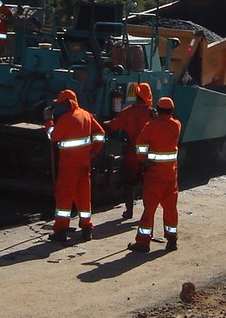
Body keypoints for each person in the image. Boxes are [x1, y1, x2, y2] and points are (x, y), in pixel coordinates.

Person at [46, 89, 105, 243]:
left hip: (68, 167)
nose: (58, 107)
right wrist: (93, 151)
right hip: (84, 165)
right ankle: (86, 229)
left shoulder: (66, 119)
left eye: (60, 104)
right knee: (84, 198)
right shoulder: (86, 115)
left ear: (67, 103)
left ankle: (60, 231)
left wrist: (48, 121)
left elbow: (53, 137)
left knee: (64, 199)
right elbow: (100, 133)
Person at [128, 96, 182, 253]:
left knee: (149, 209)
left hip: (155, 175)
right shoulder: (176, 125)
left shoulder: (151, 126)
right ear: (172, 111)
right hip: (171, 176)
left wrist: (143, 160)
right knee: (171, 208)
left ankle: (143, 242)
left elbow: (140, 146)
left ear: (157, 110)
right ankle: (172, 240)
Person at [106, 82, 156, 219]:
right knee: (148, 186)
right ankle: (148, 214)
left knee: (129, 184)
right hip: (148, 157)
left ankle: (129, 212)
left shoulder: (127, 112)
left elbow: (112, 126)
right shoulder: (152, 114)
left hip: (131, 155)